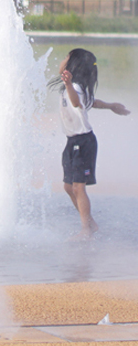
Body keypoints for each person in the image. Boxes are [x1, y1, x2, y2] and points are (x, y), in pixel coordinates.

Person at [52, 48, 129, 239]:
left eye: (65, 59)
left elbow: (77, 103)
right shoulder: (74, 86)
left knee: (78, 187)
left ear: (72, 66)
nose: (62, 62)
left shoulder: (74, 88)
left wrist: (69, 85)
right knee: (68, 188)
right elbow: (93, 102)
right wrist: (111, 106)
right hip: (72, 141)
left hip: (83, 142)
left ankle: (86, 228)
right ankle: (90, 223)